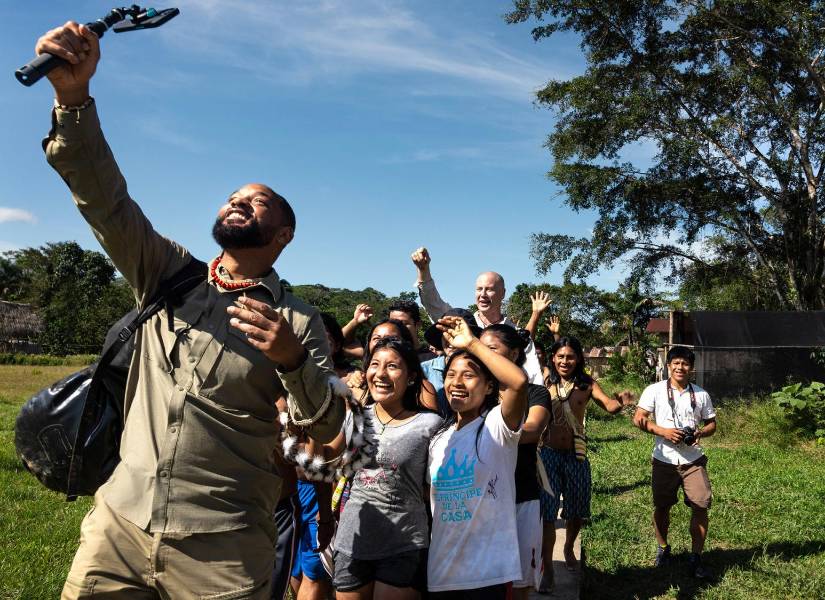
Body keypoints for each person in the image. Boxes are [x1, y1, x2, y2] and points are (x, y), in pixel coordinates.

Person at [36, 23, 344, 599]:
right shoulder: (167, 273)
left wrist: (290, 358)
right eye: (233, 196)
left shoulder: (298, 321)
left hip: (223, 548)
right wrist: (72, 100)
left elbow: (327, 425)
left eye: (257, 201)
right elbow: (107, 203)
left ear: (283, 233)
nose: (238, 201)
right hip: (119, 529)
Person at [321, 338, 441, 599]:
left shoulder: (430, 425)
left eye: (393, 366)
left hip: (405, 542)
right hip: (353, 539)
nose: (381, 373)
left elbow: (435, 488)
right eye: (375, 364)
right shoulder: (355, 415)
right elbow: (325, 459)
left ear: (411, 377)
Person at [427, 316, 528, 598]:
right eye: (451, 374)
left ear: (489, 387)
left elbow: (518, 382)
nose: (457, 382)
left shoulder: (497, 427)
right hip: (441, 574)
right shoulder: (439, 440)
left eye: (469, 375)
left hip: (488, 574)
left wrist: (471, 343)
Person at [538, 337, 625, 594]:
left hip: (576, 456)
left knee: (576, 511)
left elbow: (609, 405)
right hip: (548, 456)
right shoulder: (544, 380)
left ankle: (568, 547)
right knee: (547, 515)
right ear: (553, 358)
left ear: (579, 359)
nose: (565, 361)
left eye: (571, 357)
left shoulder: (587, 385)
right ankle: (548, 571)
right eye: (561, 356)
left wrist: (620, 400)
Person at [478, 325, 551, 599]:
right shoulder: (478, 393)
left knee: (520, 583)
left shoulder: (535, 393)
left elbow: (533, 430)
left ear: (515, 352)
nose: (483, 355)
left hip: (522, 496)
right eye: (479, 348)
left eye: (491, 349)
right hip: (480, 501)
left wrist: (493, 434)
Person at [633, 346, 717, 579]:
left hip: (693, 459)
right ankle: (663, 548)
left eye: (685, 364)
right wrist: (663, 431)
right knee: (662, 506)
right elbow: (638, 418)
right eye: (676, 363)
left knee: (701, 505)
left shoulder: (701, 394)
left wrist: (700, 433)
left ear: (692, 368)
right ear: (669, 365)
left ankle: (696, 557)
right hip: (664, 459)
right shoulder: (654, 390)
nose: (680, 367)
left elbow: (712, 424)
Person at [411, 247, 544, 385]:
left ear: (503, 293)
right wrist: (423, 271)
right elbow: (434, 304)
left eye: (490, 289)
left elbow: (533, 379)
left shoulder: (517, 335)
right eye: (479, 289)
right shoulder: (462, 324)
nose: (483, 294)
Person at [421, 308, 483, 416]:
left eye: (459, 333)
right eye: (447, 332)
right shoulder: (423, 370)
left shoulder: (483, 370)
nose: (452, 339)